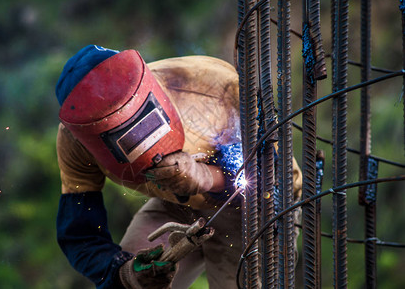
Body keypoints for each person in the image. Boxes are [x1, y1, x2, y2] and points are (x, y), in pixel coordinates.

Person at [55, 44, 302, 289]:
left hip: (252, 208)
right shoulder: (75, 140)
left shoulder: (210, 85)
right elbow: (80, 234)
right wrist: (124, 273)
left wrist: (206, 177)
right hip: (177, 205)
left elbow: (274, 178)